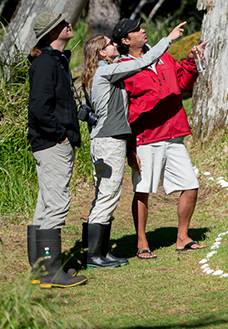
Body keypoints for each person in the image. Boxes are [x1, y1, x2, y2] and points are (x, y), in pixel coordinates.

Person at [79, 21, 186, 268]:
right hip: (109, 142)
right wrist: (168, 39)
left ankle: (101, 252)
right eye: (108, 44)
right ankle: (94, 256)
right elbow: (141, 63)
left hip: (107, 141)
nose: (113, 44)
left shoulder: (106, 70)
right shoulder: (105, 72)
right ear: (101, 54)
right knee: (107, 195)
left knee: (106, 194)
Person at [111, 17, 207, 258]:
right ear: (125, 40)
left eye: (141, 27)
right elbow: (122, 112)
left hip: (175, 134)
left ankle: (182, 238)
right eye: (136, 30)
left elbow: (183, 83)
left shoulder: (162, 56)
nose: (143, 31)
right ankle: (142, 242)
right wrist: (129, 149)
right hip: (146, 138)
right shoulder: (122, 67)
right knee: (143, 190)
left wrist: (192, 62)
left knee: (191, 186)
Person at [26, 10, 87, 288]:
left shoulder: (56, 61)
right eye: (63, 24)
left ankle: (41, 270)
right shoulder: (45, 64)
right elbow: (39, 108)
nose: (69, 24)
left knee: (46, 203)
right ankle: (51, 271)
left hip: (50, 143)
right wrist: (60, 136)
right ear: (52, 33)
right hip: (52, 144)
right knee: (57, 204)